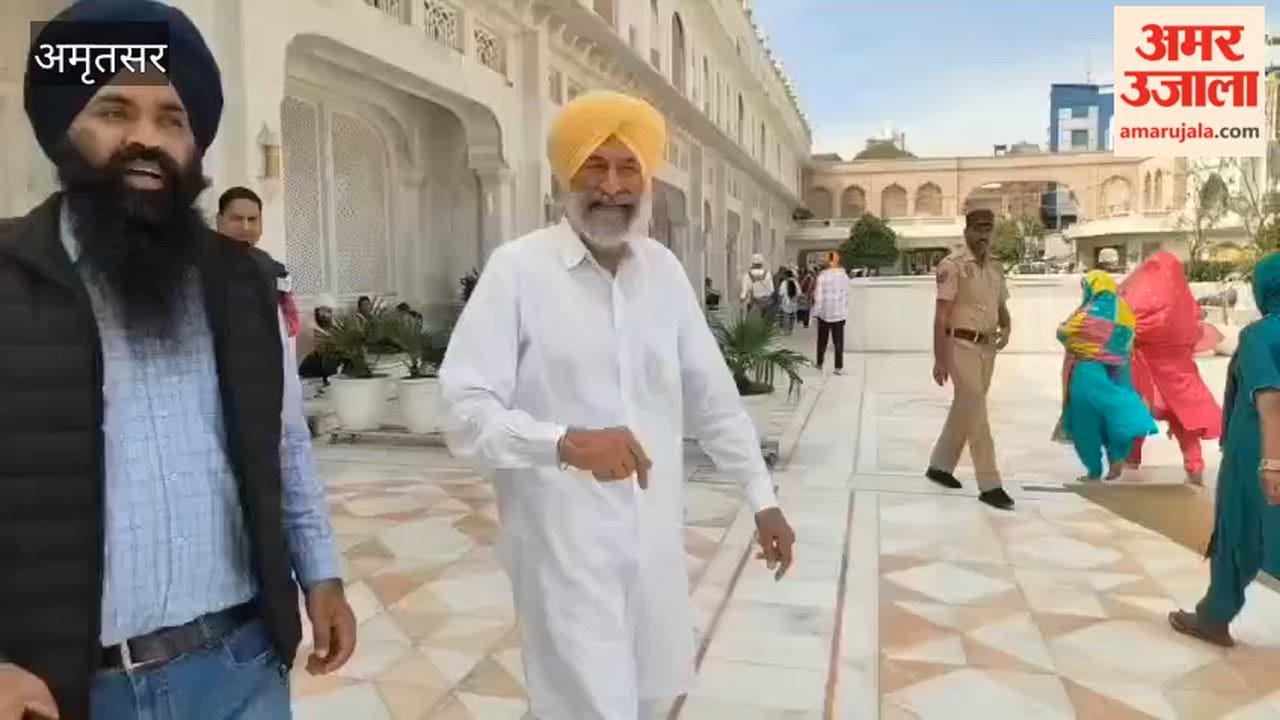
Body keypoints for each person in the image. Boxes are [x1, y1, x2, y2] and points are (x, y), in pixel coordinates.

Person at [0, 3, 356, 718]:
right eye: (114, 110)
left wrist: (320, 573)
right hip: (69, 693)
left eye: (172, 119)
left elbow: (284, 443)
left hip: (242, 666)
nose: (145, 139)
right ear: (64, 126)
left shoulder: (244, 284)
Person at [437, 90, 796, 719]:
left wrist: (762, 500)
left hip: (654, 546)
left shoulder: (663, 272)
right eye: (593, 167)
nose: (611, 186)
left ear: (648, 178)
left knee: (652, 695)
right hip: (562, 549)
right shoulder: (518, 270)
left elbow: (711, 397)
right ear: (564, 178)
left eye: (628, 167)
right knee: (590, 707)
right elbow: (463, 409)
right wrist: (564, 443)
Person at [1168, 252, 1280, 648]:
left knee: (1240, 531)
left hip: (1257, 452)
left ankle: (1214, 617)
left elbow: (1269, 398)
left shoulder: (1260, 335)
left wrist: (1271, 462)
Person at [925, 209, 1015, 510]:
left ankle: (940, 466)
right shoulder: (953, 266)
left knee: (965, 407)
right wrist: (940, 358)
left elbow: (1000, 304)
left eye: (988, 229)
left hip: (987, 348)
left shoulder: (995, 268)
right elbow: (941, 316)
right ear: (967, 230)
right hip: (959, 344)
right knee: (977, 410)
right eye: (978, 228)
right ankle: (990, 484)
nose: (983, 235)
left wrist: (1007, 326)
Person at [1119, 252, 1223, 484]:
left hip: (1147, 376)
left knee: (1137, 419)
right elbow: (1195, 333)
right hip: (1180, 378)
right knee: (1186, 426)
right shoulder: (1183, 301)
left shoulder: (1140, 302)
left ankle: (1131, 464)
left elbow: (1126, 326)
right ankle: (1194, 468)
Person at [1056, 271, 1158, 482]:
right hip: (1119, 369)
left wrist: (1077, 341)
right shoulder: (1125, 311)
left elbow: (1065, 333)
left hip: (1088, 367)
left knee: (1084, 419)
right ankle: (1118, 456)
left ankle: (1093, 470)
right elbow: (1128, 340)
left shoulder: (1090, 310)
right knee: (1113, 414)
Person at [216, 185, 299, 337]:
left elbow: (289, 329)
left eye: (252, 219)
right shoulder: (199, 269)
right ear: (219, 220)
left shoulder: (275, 270)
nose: (246, 227)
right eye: (237, 219)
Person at [812, 252, 848, 375]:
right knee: (838, 341)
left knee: (822, 340)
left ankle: (819, 363)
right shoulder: (844, 276)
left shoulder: (822, 277)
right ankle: (838, 367)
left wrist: (816, 311)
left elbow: (818, 296)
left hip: (824, 313)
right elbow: (847, 295)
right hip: (839, 314)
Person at [777, 268, 800, 335]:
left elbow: (781, 293)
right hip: (794, 301)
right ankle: (791, 329)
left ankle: (785, 330)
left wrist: (780, 300)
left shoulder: (784, 283)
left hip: (786, 301)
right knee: (793, 316)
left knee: (786, 316)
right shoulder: (796, 282)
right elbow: (799, 292)